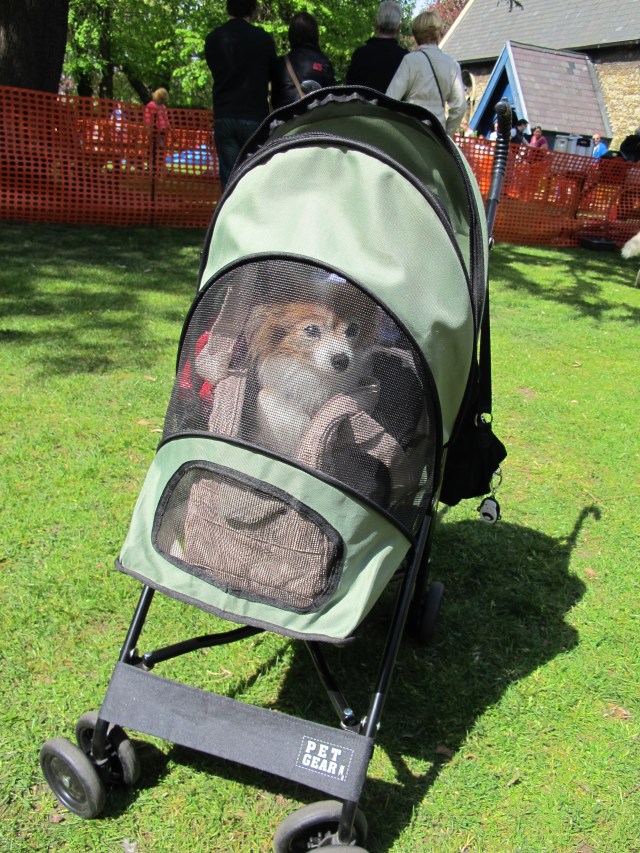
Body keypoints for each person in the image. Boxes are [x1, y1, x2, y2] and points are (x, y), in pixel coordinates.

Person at [204, 0, 277, 189]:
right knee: (254, 177)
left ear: (228, 7)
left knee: (229, 180)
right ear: (252, 9)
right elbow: (273, 74)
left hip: (225, 114)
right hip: (255, 117)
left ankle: (229, 207)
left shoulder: (213, 39)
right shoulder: (264, 40)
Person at [385, 10, 466, 137]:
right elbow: (460, 106)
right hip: (436, 135)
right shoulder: (452, 65)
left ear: (416, 35)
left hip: (410, 132)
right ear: (438, 33)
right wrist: (447, 135)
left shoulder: (410, 61)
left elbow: (389, 100)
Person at [271, 12, 335, 110]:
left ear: (291, 35)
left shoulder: (282, 63)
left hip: (287, 117)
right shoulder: (324, 63)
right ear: (315, 34)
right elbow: (331, 98)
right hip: (316, 117)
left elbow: (275, 100)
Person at [345, 1, 408, 93]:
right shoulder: (406, 59)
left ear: (376, 24)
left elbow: (349, 90)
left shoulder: (360, 55)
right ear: (399, 28)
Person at [144, 88, 171, 171]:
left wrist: (168, 127)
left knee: (160, 149)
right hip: (155, 130)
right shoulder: (152, 105)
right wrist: (149, 129)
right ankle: (152, 166)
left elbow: (166, 119)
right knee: (153, 149)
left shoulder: (162, 107)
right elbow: (148, 119)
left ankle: (159, 166)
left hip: (161, 131)